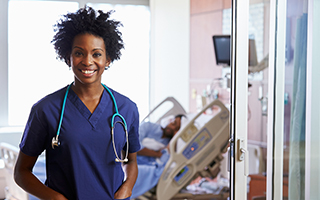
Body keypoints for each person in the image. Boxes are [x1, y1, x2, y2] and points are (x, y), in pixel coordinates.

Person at [14, 6, 140, 200]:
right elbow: (21, 172)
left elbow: (131, 160)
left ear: (108, 59)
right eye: (79, 53)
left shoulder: (127, 109)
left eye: (96, 54)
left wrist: (128, 187)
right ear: (68, 57)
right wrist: (55, 198)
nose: (88, 61)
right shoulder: (46, 110)